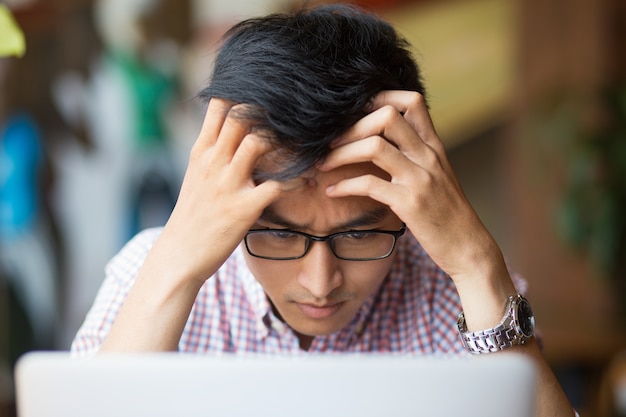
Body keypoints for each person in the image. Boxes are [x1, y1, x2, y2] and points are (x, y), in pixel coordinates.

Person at [72, 4, 575, 415]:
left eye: (358, 235)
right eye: (279, 233)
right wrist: (175, 266)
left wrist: (477, 264)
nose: (320, 283)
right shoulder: (151, 271)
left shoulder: (462, 290)